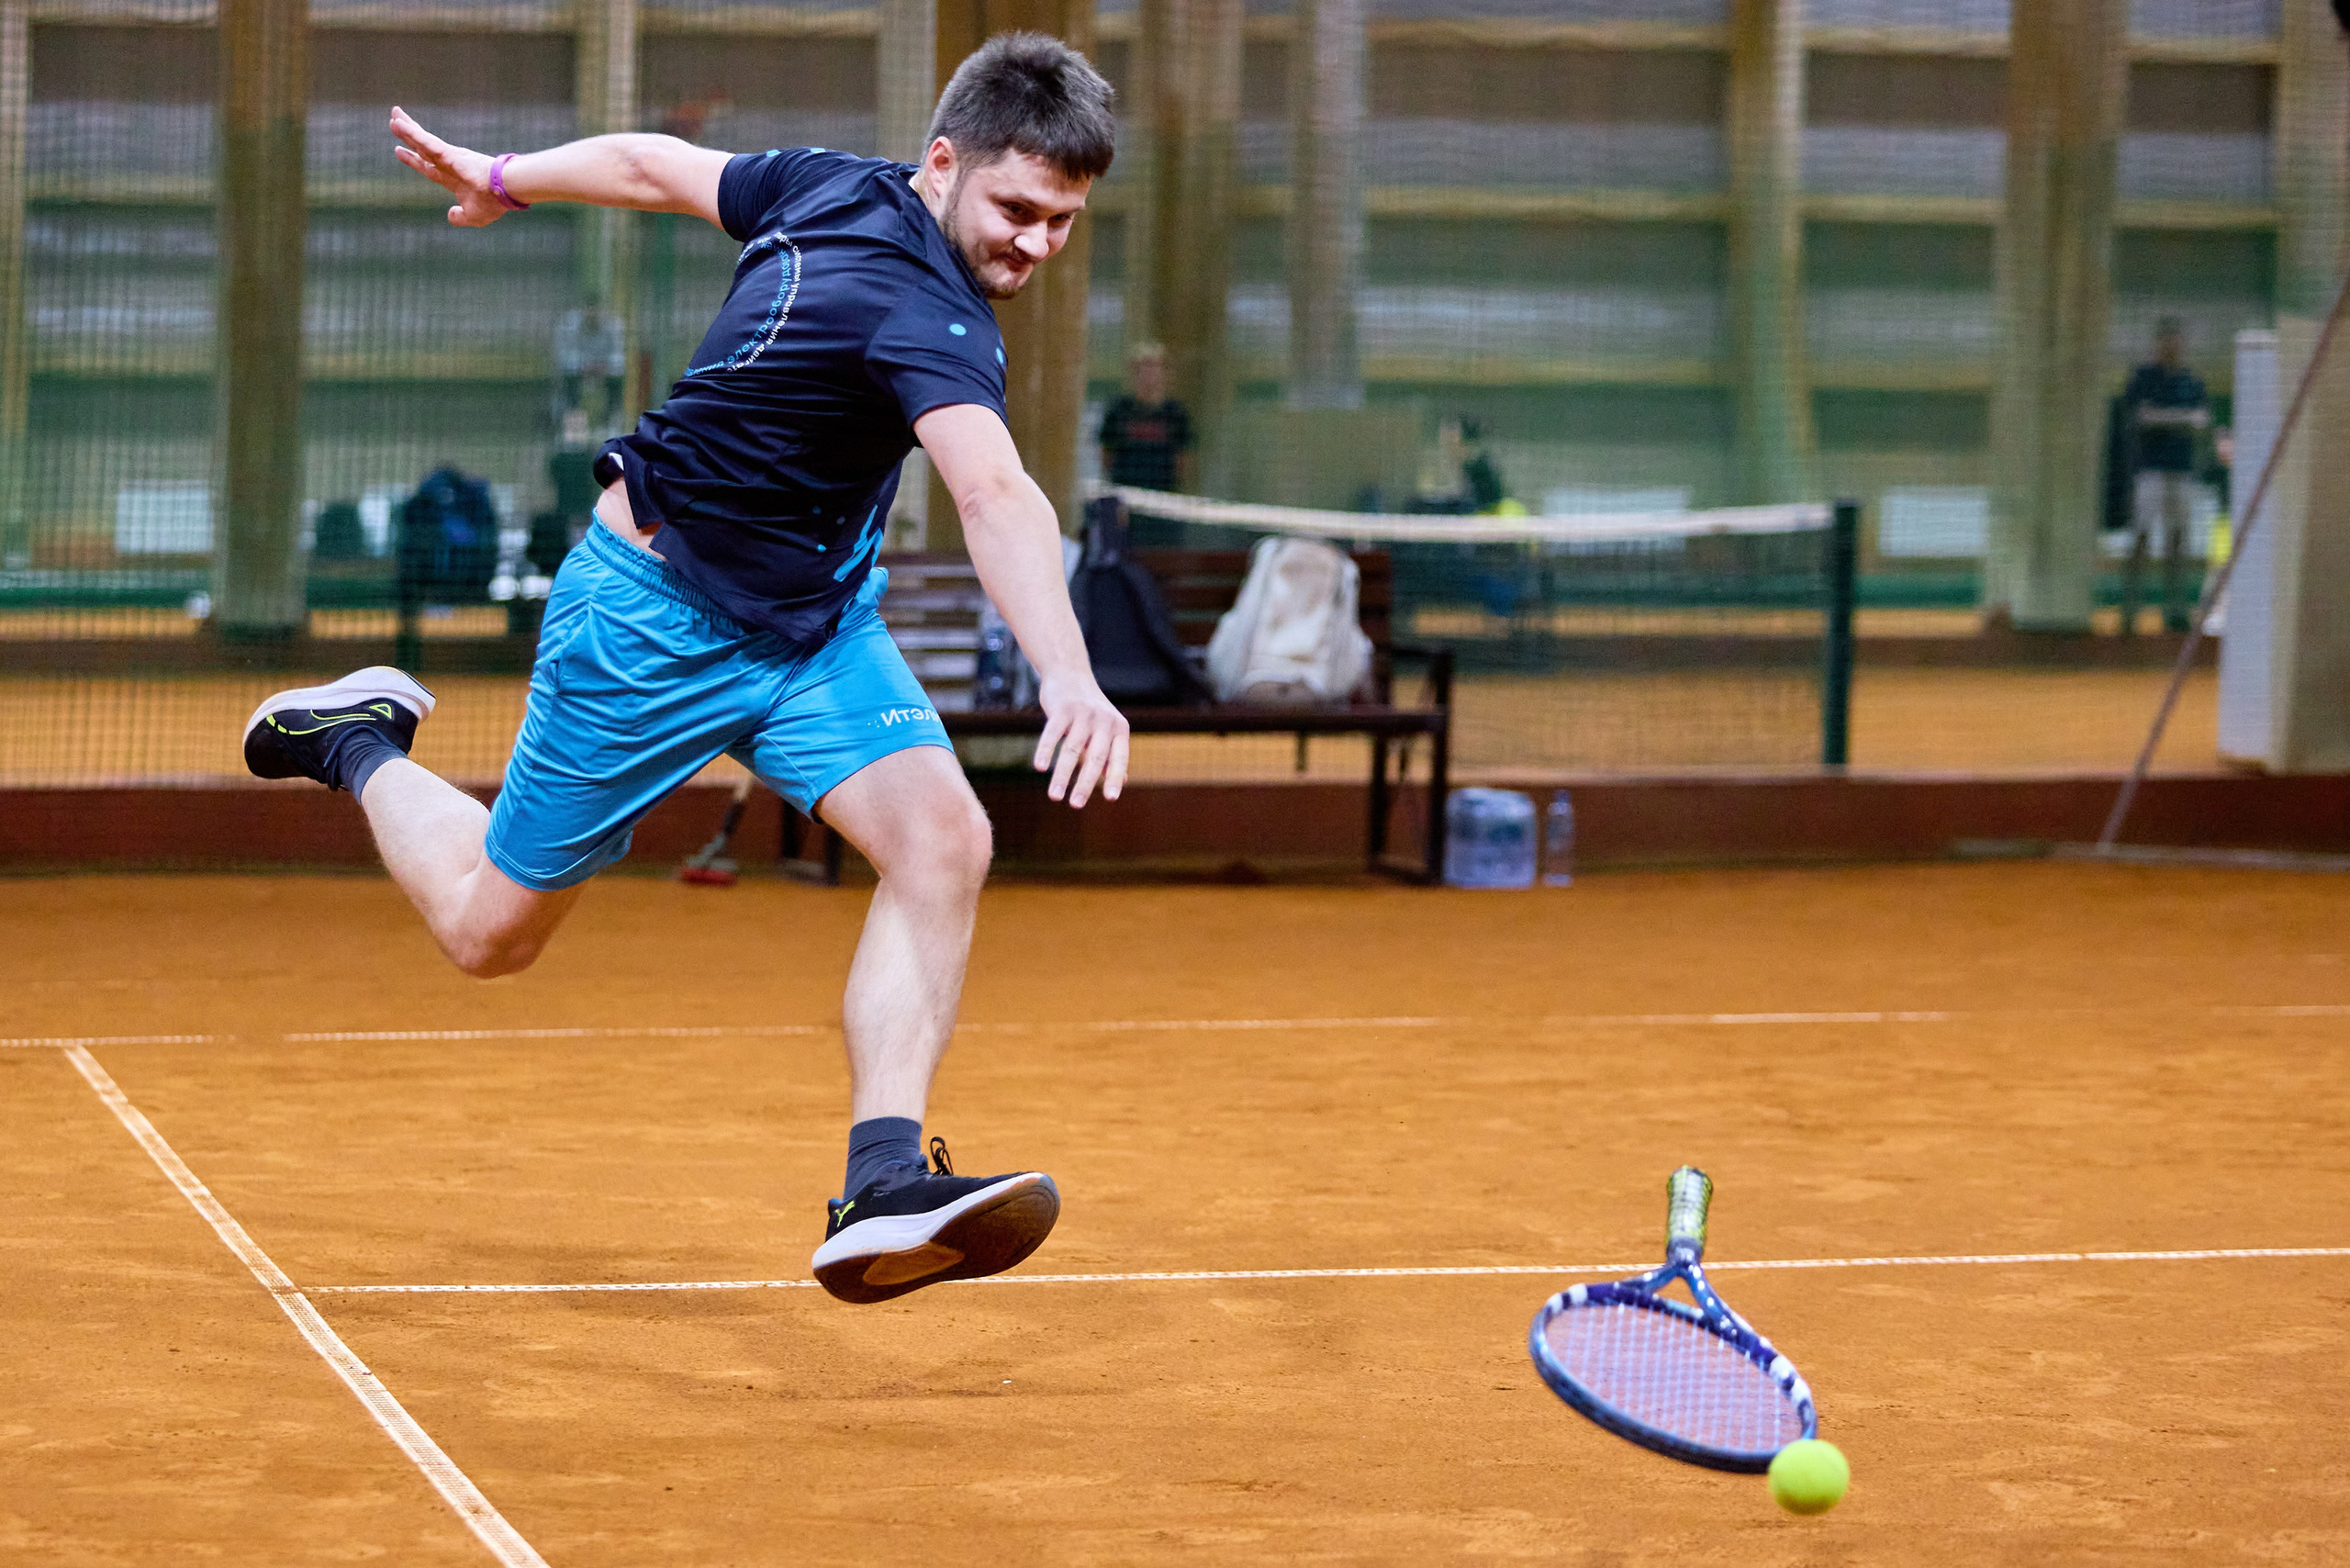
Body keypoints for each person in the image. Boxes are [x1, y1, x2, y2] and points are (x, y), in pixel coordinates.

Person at [237, 34, 1129, 1305]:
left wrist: (508, 172)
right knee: (492, 934)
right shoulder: (926, 310)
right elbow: (992, 489)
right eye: (1019, 209)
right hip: (648, 624)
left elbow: (656, 166)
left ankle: (881, 1184)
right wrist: (1069, 674)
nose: (1039, 244)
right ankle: (354, 741)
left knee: (943, 841)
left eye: (1065, 221)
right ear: (944, 163)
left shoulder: (830, 181)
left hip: (811, 626)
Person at [2121, 317, 2210, 635]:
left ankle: (2175, 611)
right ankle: (2130, 611)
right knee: (2141, 538)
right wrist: (2179, 419)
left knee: (2178, 541)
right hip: (2150, 471)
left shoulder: (2190, 382)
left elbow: (2200, 421)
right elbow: (2141, 418)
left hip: (2180, 471)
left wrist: (2164, 418)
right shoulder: (2143, 378)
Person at [1095, 342, 1193, 491]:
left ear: (1164, 373)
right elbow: (1106, 455)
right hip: (1125, 494)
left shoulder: (1176, 414)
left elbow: (1183, 460)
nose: (1150, 374)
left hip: (1163, 497)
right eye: (1145, 368)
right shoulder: (1118, 410)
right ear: (1134, 373)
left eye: (1155, 367)